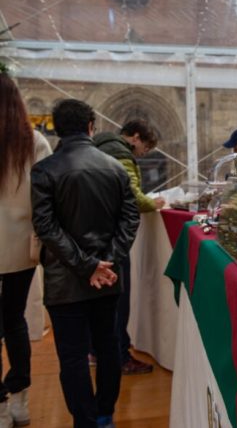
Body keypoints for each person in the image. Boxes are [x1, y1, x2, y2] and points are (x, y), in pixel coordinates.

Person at [31, 99, 140, 428]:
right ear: (91, 126)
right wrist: (105, 263)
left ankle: (86, 420)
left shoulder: (44, 170)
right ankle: (105, 415)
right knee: (108, 348)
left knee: (74, 356)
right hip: (107, 279)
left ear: (56, 128)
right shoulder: (115, 167)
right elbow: (130, 219)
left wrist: (87, 265)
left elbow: (46, 228)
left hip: (66, 282)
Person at [0, 72, 52, 428]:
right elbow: (45, 197)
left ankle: (0, 407)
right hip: (20, 247)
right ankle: (20, 400)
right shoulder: (33, 142)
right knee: (14, 320)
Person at [93, 120, 162, 375]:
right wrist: (152, 203)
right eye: (145, 147)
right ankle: (119, 357)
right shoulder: (121, 154)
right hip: (113, 239)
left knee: (101, 302)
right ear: (135, 137)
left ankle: (98, 351)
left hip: (92, 236)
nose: (143, 153)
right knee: (118, 301)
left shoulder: (100, 146)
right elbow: (131, 196)